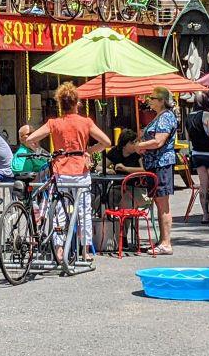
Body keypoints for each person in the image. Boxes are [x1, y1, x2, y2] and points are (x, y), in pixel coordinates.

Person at [25, 82, 113, 261]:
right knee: (83, 211)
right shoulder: (86, 122)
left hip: (60, 170)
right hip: (80, 171)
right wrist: (88, 151)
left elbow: (30, 139)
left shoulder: (54, 123)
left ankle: (58, 249)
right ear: (76, 103)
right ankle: (85, 250)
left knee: (59, 211)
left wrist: (43, 153)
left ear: (60, 103)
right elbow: (106, 142)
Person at [125, 86, 179, 255]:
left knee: (163, 203)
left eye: (153, 98)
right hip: (155, 164)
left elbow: (158, 141)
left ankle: (166, 243)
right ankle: (163, 240)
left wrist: (138, 146)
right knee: (158, 201)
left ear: (162, 101)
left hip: (161, 164)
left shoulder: (165, 117)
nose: (149, 101)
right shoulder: (159, 116)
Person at [184, 94, 209, 224]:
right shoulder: (207, 115)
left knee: (203, 185)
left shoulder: (189, 117)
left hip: (197, 153)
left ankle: (205, 215)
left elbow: (187, 137)